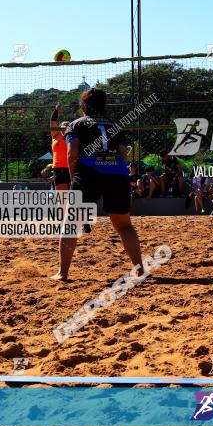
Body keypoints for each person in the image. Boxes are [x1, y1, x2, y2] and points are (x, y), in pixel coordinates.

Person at [51, 88, 142, 281]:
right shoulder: (114, 125)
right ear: (104, 106)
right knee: (124, 226)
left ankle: (63, 273)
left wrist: (73, 176)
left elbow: (72, 154)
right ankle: (139, 267)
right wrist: (114, 168)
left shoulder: (75, 125)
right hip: (116, 174)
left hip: (88, 174)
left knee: (71, 224)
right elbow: (124, 153)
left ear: (83, 106)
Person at [50, 105, 71, 191]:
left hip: (71, 168)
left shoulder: (73, 137)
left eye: (67, 126)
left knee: (73, 197)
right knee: (62, 197)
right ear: (59, 127)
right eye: (63, 125)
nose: (65, 127)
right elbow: (52, 121)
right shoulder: (56, 135)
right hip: (58, 169)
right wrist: (56, 110)